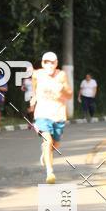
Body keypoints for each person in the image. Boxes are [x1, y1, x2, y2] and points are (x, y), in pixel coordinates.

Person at [30, 51, 73, 185]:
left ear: (56, 64)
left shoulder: (61, 75)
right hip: (42, 115)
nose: (49, 65)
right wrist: (33, 99)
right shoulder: (37, 74)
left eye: (52, 62)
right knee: (47, 141)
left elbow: (69, 95)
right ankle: (50, 172)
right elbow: (34, 90)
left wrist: (62, 90)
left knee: (55, 144)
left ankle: (45, 152)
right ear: (42, 63)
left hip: (58, 115)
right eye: (46, 62)